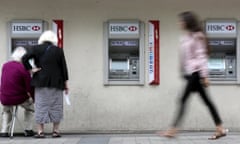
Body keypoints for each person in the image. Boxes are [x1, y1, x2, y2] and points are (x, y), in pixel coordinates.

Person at [160, 11, 228, 140]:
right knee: (207, 102)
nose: (179, 23)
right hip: (190, 74)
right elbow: (186, 57)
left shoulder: (197, 36)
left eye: (181, 21)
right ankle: (220, 129)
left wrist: (205, 76)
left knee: (183, 100)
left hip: (196, 74)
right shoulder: (187, 37)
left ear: (187, 22)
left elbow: (201, 57)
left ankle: (172, 130)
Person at [22, 30, 69, 138]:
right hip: (57, 83)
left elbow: (24, 58)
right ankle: (56, 131)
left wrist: (31, 70)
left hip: (40, 82)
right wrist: (66, 84)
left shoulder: (36, 48)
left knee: (41, 106)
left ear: (42, 38)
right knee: (56, 106)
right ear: (54, 40)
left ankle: (40, 132)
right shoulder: (58, 50)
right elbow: (64, 68)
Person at [0, 46, 35, 137]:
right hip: (19, 98)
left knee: (6, 110)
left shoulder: (5, 65)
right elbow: (29, 86)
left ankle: (4, 131)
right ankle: (28, 129)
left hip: (5, 97)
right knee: (30, 108)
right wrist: (33, 97)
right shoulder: (23, 68)